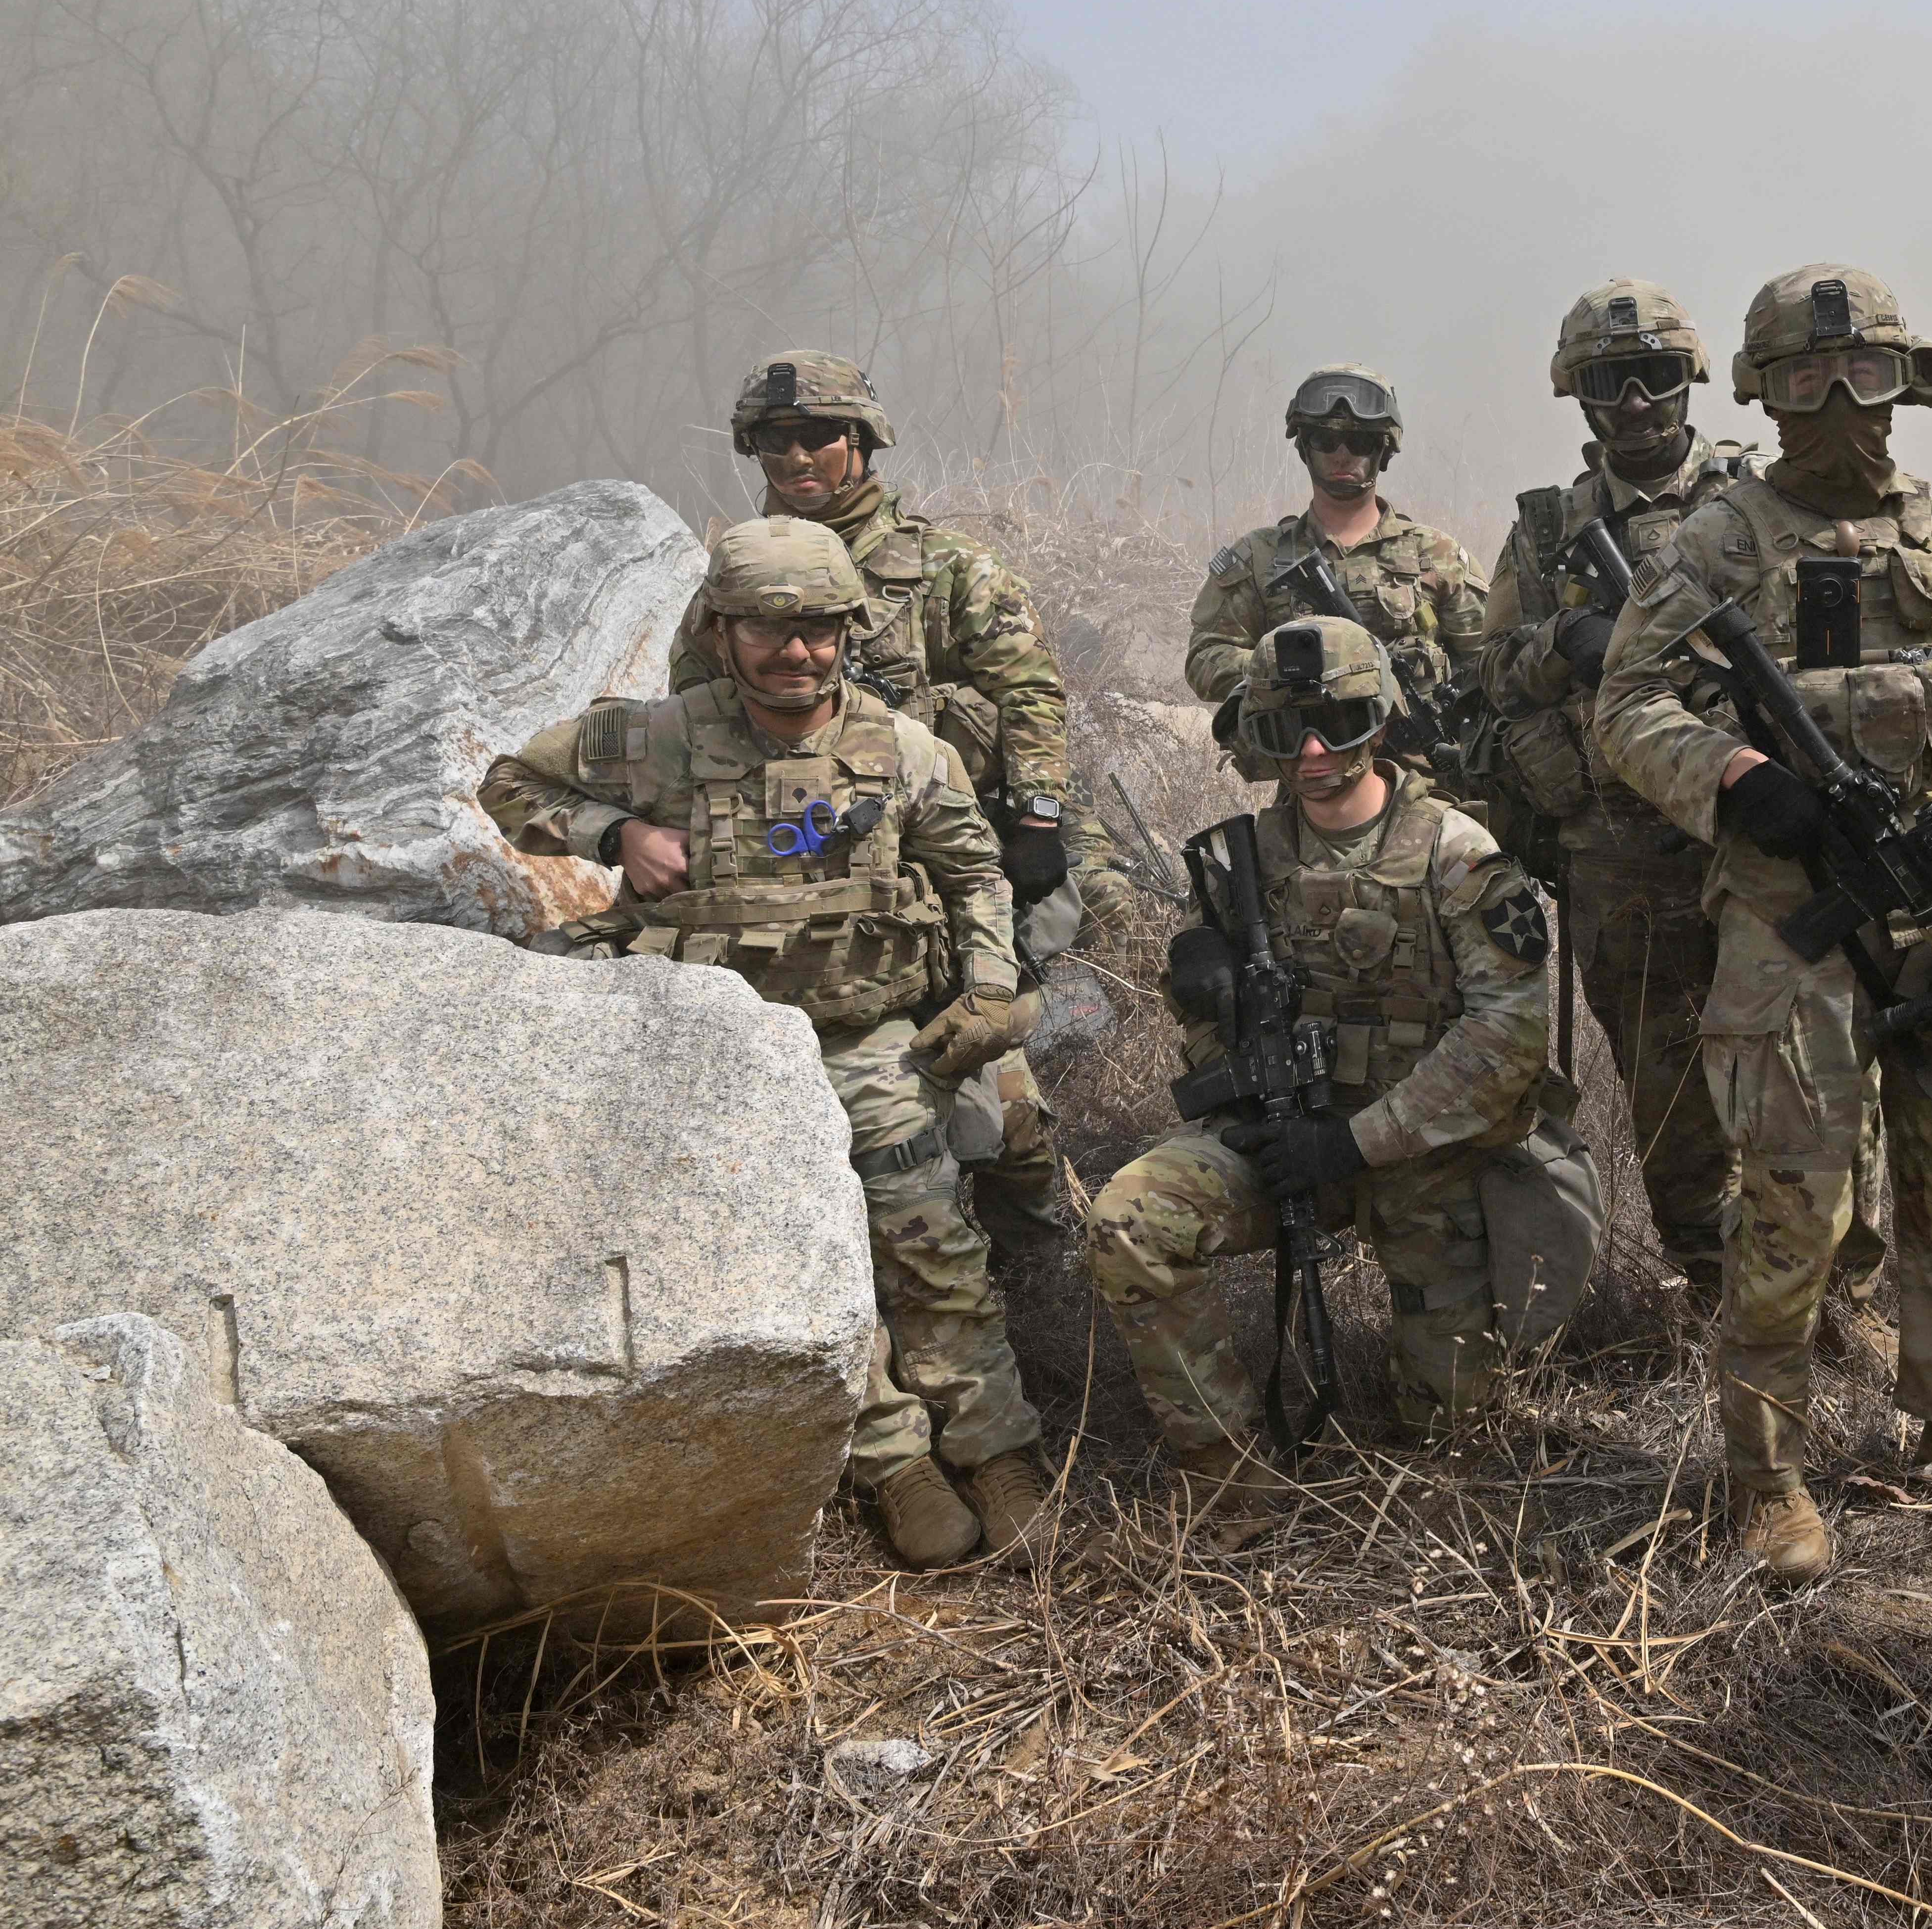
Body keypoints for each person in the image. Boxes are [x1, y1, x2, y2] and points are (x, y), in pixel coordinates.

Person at [1594, 263, 1932, 1586]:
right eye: (1804, 379)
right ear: (1761, 388)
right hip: (1788, 921)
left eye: (1862, 374)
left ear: (1907, 384)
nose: (1835, 404)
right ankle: (1766, 1479)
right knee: (1793, 1207)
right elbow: (1627, 711)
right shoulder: (1713, 543)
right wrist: (1747, 786)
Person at [482, 518, 1047, 1569]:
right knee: (800, 1257)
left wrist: (988, 986)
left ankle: (997, 1450)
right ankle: (894, 1459)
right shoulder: (654, 736)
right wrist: (619, 836)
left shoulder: (902, 750)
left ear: (846, 630)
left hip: (871, 1037)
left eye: (815, 631)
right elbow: (509, 784)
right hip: (724, 1054)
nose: (794, 653)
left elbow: (977, 873)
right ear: (723, 629)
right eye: (766, 630)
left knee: (932, 1241)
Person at [1082, 617, 1555, 1544]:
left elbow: (1509, 1036)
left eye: (1335, 723)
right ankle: (1228, 1479)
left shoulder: (1456, 852)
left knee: (1451, 1437)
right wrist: (1208, 1014)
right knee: (1129, 1222)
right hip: (1280, 1139)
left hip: (1422, 1154)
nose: (1310, 751)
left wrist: (1349, 1142)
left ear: (1378, 722)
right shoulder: (1241, 861)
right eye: (1289, 724)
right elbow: (1213, 1032)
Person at [676, 351, 1114, 1227]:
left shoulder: (945, 568)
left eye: (816, 438)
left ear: (861, 442)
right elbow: (694, 714)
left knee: (996, 1101)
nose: (796, 460)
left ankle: (1032, 1258)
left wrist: (1034, 818)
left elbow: (1029, 689)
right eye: (774, 441)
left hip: (934, 858)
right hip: (791, 860)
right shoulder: (734, 578)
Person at [1471, 281, 1757, 1306]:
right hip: (1622, 853)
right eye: (1607, 382)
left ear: (1691, 381)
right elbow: (1490, 671)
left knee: (1799, 1076)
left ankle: (1819, 1291)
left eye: (1656, 377)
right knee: (1669, 1087)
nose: (1635, 401)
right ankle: (1719, 1287)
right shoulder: (1550, 533)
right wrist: (1563, 642)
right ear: (1578, 398)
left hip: (1760, 833)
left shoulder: (1756, 507)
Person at [1184, 367, 1485, 764]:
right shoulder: (1261, 557)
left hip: (1423, 776)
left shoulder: (1438, 555)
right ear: (1306, 448)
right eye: (1326, 440)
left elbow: (1489, 664)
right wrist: (1290, 666)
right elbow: (1205, 658)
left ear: (1383, 450)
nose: (1342, 455)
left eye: (1359, 442)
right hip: (1309, 771)